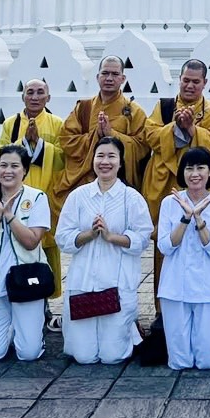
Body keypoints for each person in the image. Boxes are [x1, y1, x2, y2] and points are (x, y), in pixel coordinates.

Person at [58, 136, 153, 364]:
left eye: (112, 156)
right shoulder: (79, 196)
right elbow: (62, 237)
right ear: (93, 159)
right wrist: (89, 235)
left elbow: (142, 238)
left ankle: (130, 330)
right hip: (83, 283)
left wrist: (112, 237)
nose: (105, 162)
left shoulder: (131, 198)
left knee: (113, 357)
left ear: (121, 162)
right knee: (84, 357)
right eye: (100, 156)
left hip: (116, 284)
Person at [140, 60, 210, 299]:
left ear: (205, 83)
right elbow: (149, 135)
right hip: (166, 183)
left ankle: (206, 296)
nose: (190, 85)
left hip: (199, 186)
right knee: (167, 241)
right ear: (179, 80)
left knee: (205, 239)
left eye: (195, 81)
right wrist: (176, 127)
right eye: (186, 80)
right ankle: (163, 302)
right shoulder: (164, 107)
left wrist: (192, 130)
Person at [0, 144, 50, 362]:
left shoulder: (37, 198)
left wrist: (10, 216)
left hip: (27, 282)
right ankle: (11, 329)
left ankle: (29, 333)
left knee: (29, 354)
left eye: (15, 166)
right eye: (3, 165)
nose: (8, 171)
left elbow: (32, 242)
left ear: (25, 170)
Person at [0, 78, 66, 331]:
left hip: (45, 195)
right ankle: (14, 299)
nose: (35, 97)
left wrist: (40, 145)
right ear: (23, 97)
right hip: (14, 197)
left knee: (44, 251)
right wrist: (23, 144)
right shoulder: (11, 123)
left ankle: (44, 305)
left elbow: (63, 158)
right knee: (16, 251)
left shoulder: (57, 123)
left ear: (48, 97)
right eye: (30, 93)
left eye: (40, 93)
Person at [156, 147, 210, 369]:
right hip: (175, 286)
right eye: (189, 168)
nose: (194, 173)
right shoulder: (170, 203)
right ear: (182, 172)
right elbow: (165, 247)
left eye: (200, 168)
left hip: (208, 287)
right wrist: (186, 217)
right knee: (180, 362)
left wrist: (199, 219)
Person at [56, 55, 148, 212]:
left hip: (118, 182)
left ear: (123, 78)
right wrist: (95, 136)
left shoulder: (133, 111)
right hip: (83, 180)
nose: (109, 78)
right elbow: (66, 140)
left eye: (115, 74)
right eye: (105, 73)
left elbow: (142, 147)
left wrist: (111, 134)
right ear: (98, 77)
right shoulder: (84, 108)